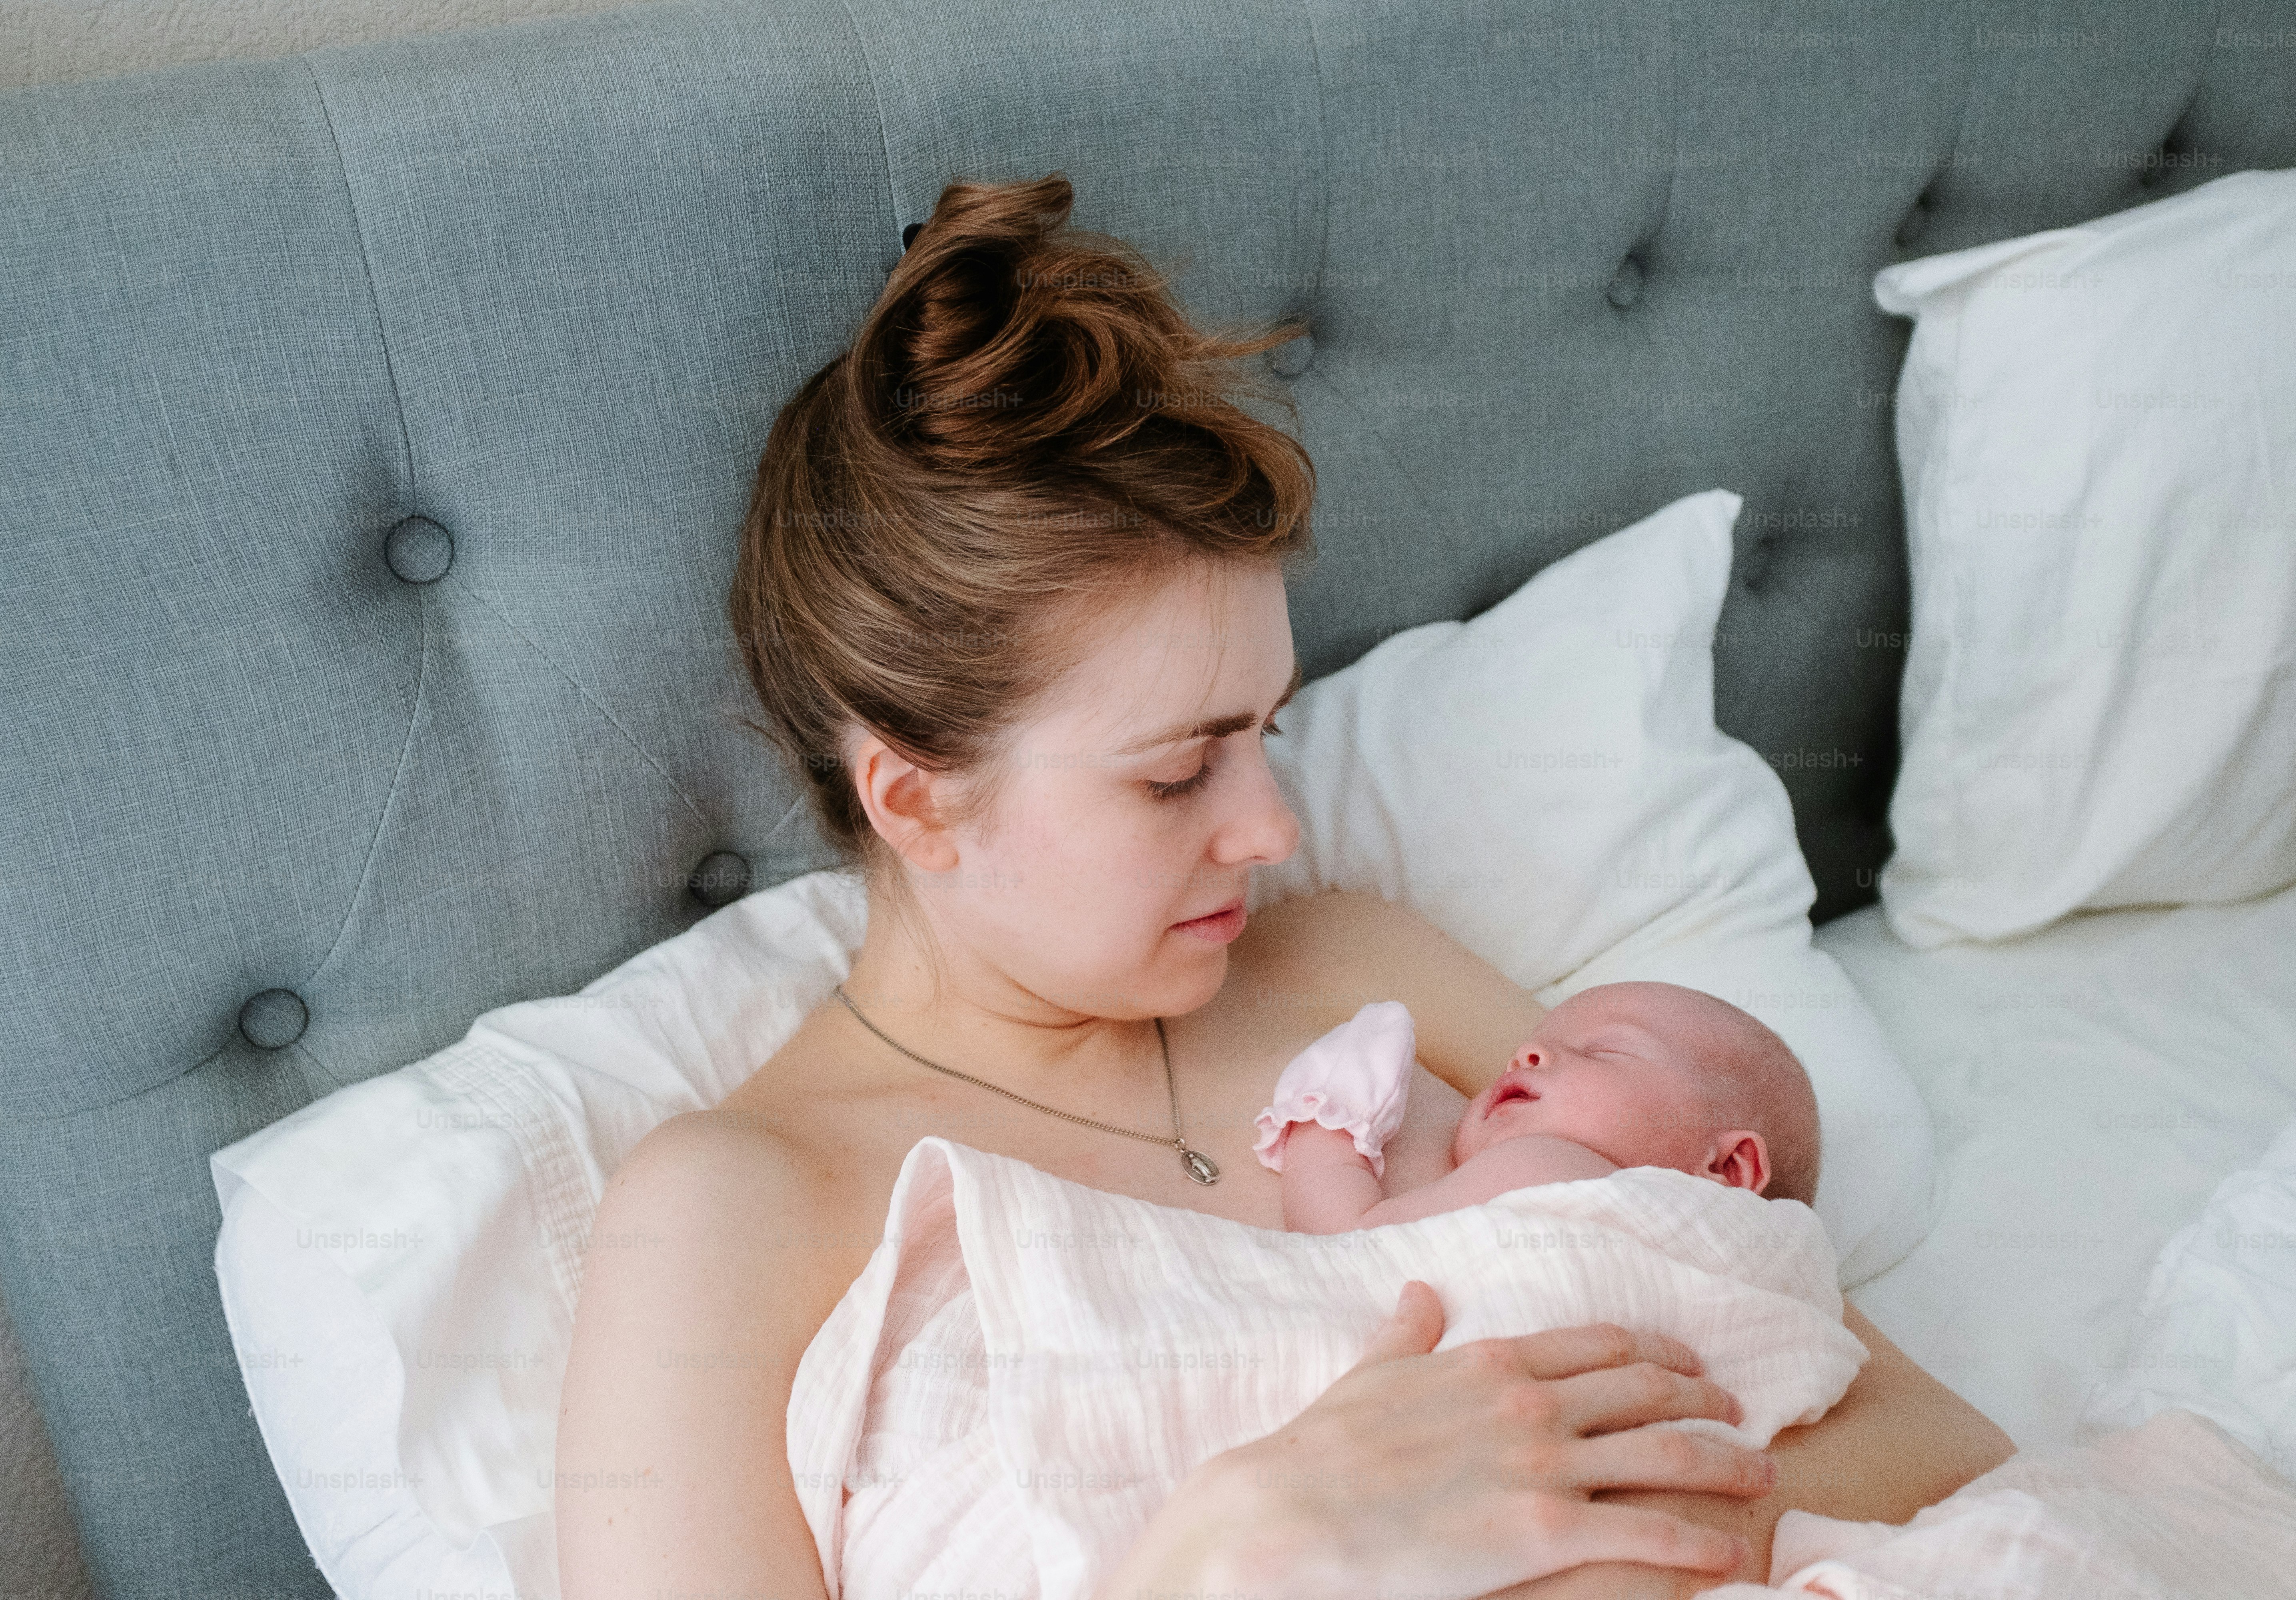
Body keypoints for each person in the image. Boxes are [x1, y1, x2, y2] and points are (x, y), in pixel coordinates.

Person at [553, 170, 2014, 1600]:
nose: (1270, 828)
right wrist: (1231, 1556)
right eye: (1178, 772)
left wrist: (1560, 1549)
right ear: (921, 800)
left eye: (1270, 729)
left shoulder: (1344, 965)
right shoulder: (731, 1212)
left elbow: (1927, 1429)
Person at [1256, 984, 1820, 1233]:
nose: (1528, 1054)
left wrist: (1325, 1116)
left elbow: (1354, 1244)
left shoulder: (1550, 1168)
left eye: (1606, 1050)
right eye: (1526, 1050)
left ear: (1728, 1169)